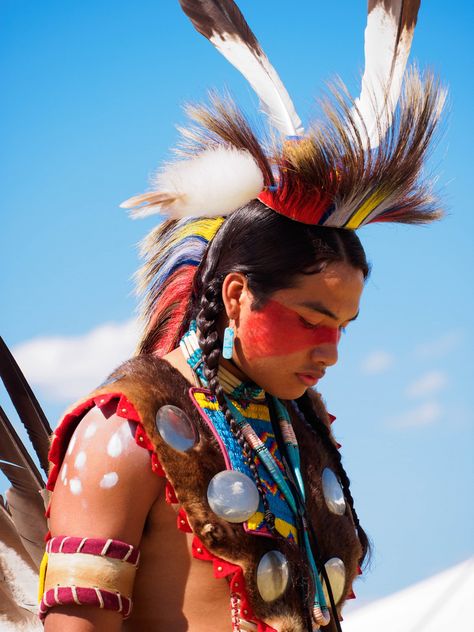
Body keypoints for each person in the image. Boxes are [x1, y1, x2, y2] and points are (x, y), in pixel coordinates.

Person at [2, 1, 445, 631]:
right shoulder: (124, 428)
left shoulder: (293, 424)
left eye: (343, 327)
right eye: (312, 318)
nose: (331, 351)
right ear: (236, 296)